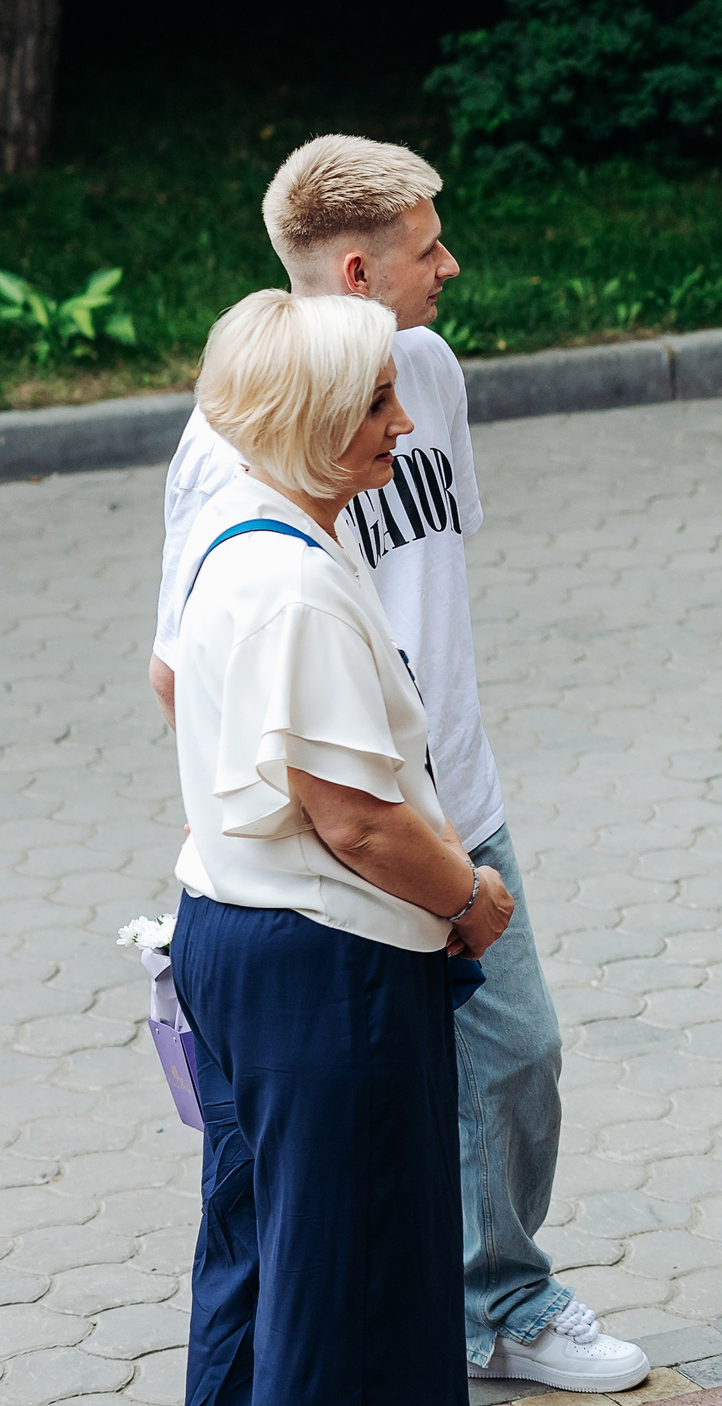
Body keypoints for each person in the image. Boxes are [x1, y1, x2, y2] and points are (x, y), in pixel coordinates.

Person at [147, 138, 642, 1392]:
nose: (453, 266)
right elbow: (187, 674)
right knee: (324, 1228)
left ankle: (502, 1298)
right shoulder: (240, 471)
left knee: (508, 1064)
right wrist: (313, 824)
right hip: (345, 868)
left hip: (435, 800)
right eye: (430, 247)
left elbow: (435, 582)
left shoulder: (421, 376)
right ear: (359, 270)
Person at [167, 290, 517, 1405]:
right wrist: (470, 901)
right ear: (313, 420)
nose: (404, 425)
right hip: (327, 971)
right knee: (351, 1293)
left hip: (238, 938)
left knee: (259, 1259)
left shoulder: (245, 539)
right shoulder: (295, 588)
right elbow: (357, 821)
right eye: (376, 405)